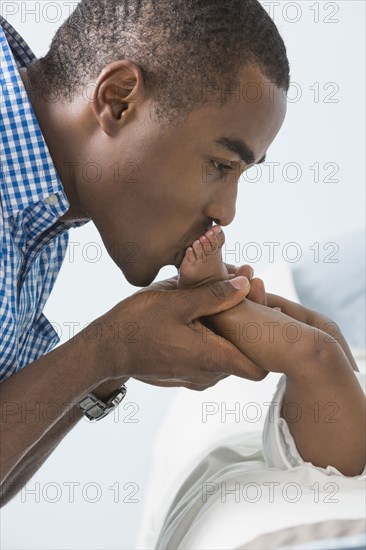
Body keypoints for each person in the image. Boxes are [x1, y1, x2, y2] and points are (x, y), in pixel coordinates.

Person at [0, 0, 291, 505]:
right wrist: (109, 348)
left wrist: (115, 361)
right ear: (117, 101)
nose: (226, 211)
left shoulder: (41, 218)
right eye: (221, 165)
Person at [176, 225, 366, 478]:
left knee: (318, 352)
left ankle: (214, 300)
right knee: (324, 328)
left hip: (340, 459)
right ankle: (246, 302)